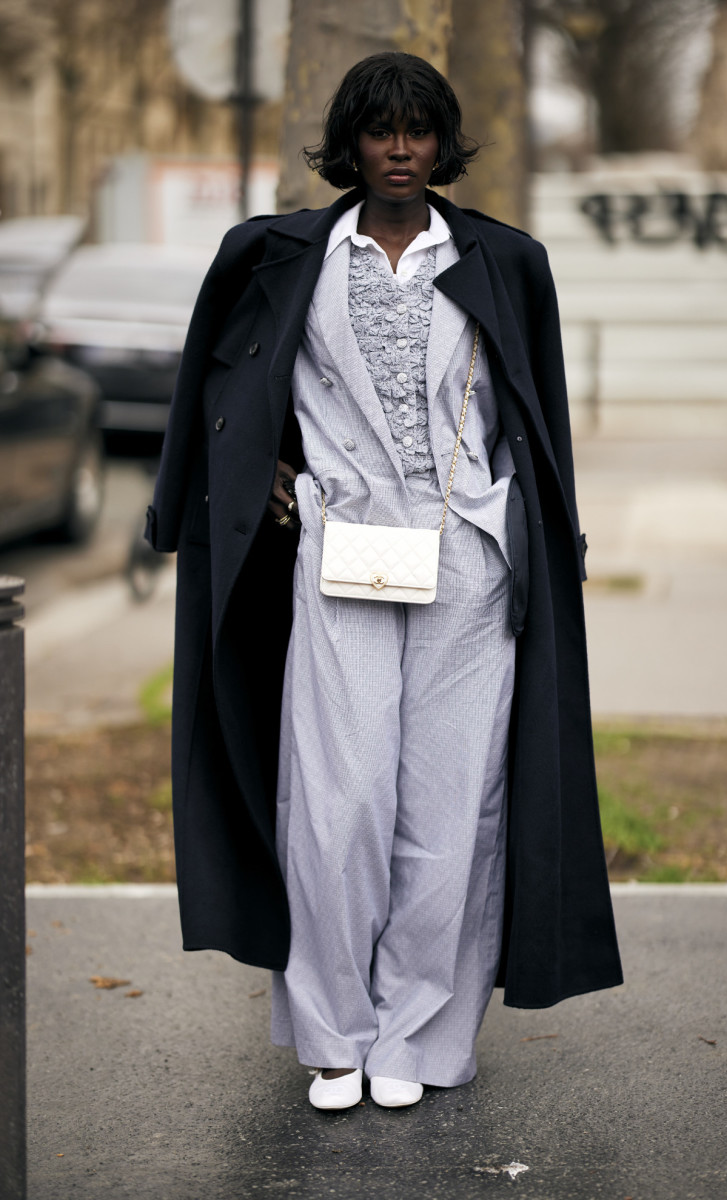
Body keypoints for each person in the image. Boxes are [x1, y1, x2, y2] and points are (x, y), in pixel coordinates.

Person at [145, 51, 622, 1113]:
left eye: (419, 130)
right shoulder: (281, 256)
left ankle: (420, 1032)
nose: (400, 148)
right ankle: (332, 1033)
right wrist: (250, 467)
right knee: (337, 799)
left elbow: (537, 420)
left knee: (456, 809)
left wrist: (546, 546)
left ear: (443, 143)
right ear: (351, 143)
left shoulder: (505, 259)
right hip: (341, 547)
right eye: (380, 129)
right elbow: (222, 378)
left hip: (469, 556)